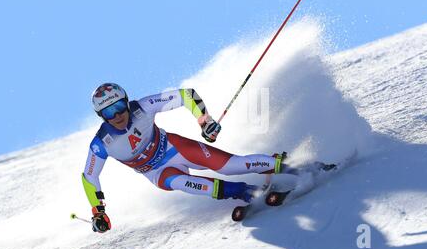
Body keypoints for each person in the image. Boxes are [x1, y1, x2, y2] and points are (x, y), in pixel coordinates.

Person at [82, 83, 326, 233]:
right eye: (107, 112)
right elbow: (90, 176)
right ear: (100, 116)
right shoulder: (102, 143)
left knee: (231, 166)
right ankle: (245, 192)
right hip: (157, 172)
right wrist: (98, 211)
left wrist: (204, 121)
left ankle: (293, 166)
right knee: (183, 183)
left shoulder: (142, 107)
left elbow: (186, 95)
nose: (116, 115)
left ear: (126, 101)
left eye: (118, 107)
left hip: (175, 147)